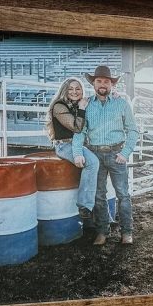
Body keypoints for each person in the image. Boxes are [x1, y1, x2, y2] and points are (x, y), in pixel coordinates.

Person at [73, 65, 139, 246]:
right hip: (94, 155)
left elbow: (133, 131)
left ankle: (127, 232)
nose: (102, 84)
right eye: (99, 81)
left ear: (112, 84)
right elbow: (79, 132)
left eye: (106, 81)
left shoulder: (121, 104)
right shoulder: (86, 105)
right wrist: (77, 153)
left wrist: (125, 153)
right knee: (99, 195)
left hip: (116, 153)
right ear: (93, 83)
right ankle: (102, 231)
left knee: (123, 195)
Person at [44, 77, 100, 219]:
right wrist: (82, 108)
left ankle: (100, 214)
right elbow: (76, 127)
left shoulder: (78, 104)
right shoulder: (59, 106)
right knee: (92, 162)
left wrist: (114, 95)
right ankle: (85, 205)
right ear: (64, 90)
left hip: (79, 144)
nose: (74, 92)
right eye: (70, 88)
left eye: (78, 88)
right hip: (64, 145)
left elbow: (100, 99)